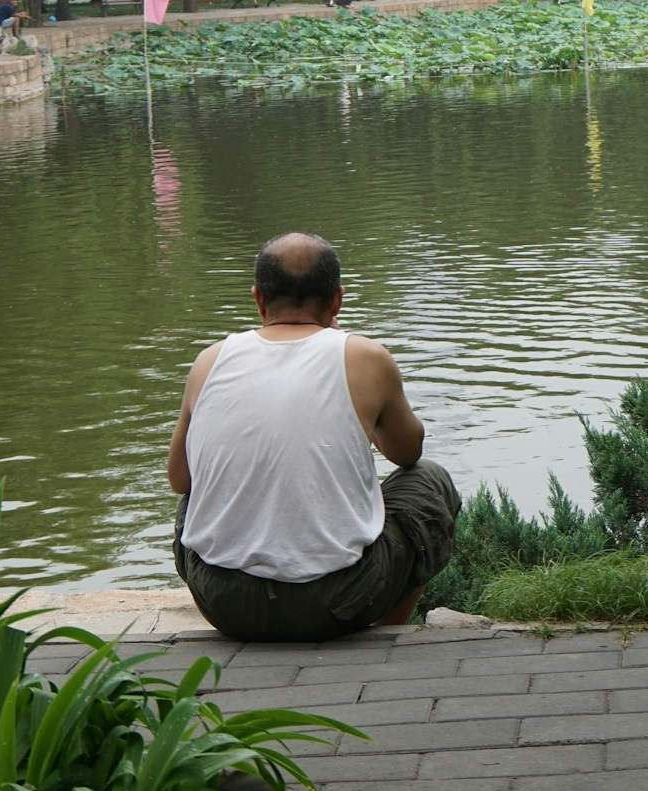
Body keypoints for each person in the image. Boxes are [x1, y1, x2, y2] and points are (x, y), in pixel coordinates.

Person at [167, 232, 461, 642]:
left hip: (225, 605)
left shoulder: (209, 361)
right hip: (337, 602)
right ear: (337, 299)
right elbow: (408, 453)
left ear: (258, 298)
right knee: (431, 479)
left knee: (191, 503)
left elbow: (180, 481)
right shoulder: (365, 356)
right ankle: (386, 635)